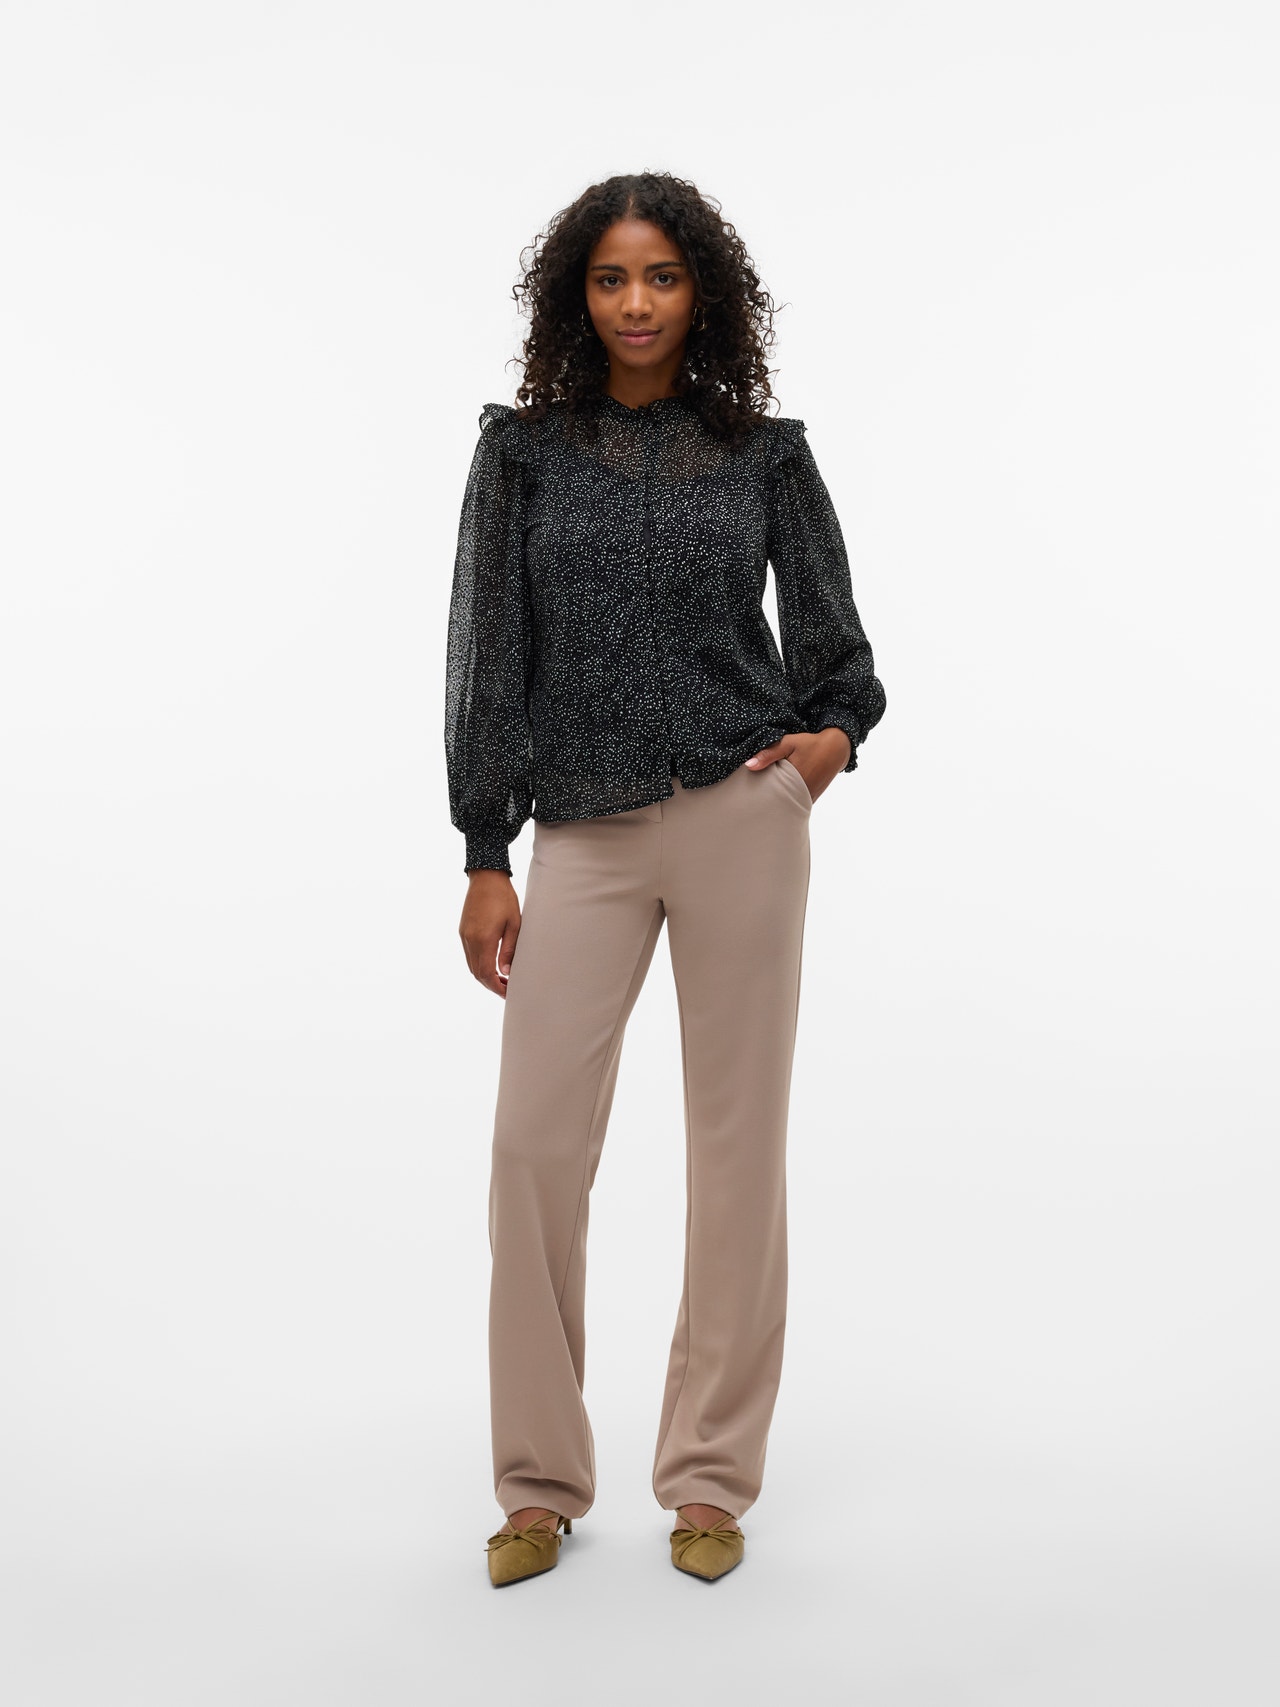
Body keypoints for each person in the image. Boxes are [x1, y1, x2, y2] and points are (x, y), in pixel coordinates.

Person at [444, 171, 887, 1586]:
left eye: (663, 277)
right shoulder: (523, 455)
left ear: (705, 293)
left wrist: (823, 750)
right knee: (532, 1149)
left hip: (739, 818)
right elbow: (488, 658)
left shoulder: (762, 454)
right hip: (581, 831)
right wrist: (485, 850)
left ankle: (709, 1481)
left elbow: (838, 648)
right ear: (575, 297)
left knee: (735, 1149)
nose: (636, 303)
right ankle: (537, 1485)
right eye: (610, 279)